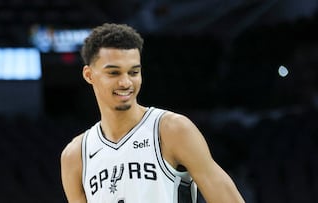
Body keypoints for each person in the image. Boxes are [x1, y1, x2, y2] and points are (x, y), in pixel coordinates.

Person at [60, 23, 245, 203]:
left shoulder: (172, 130)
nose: (125, 82)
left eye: (133, 72)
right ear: (89, 75)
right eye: (114, 73)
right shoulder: (75, 156)